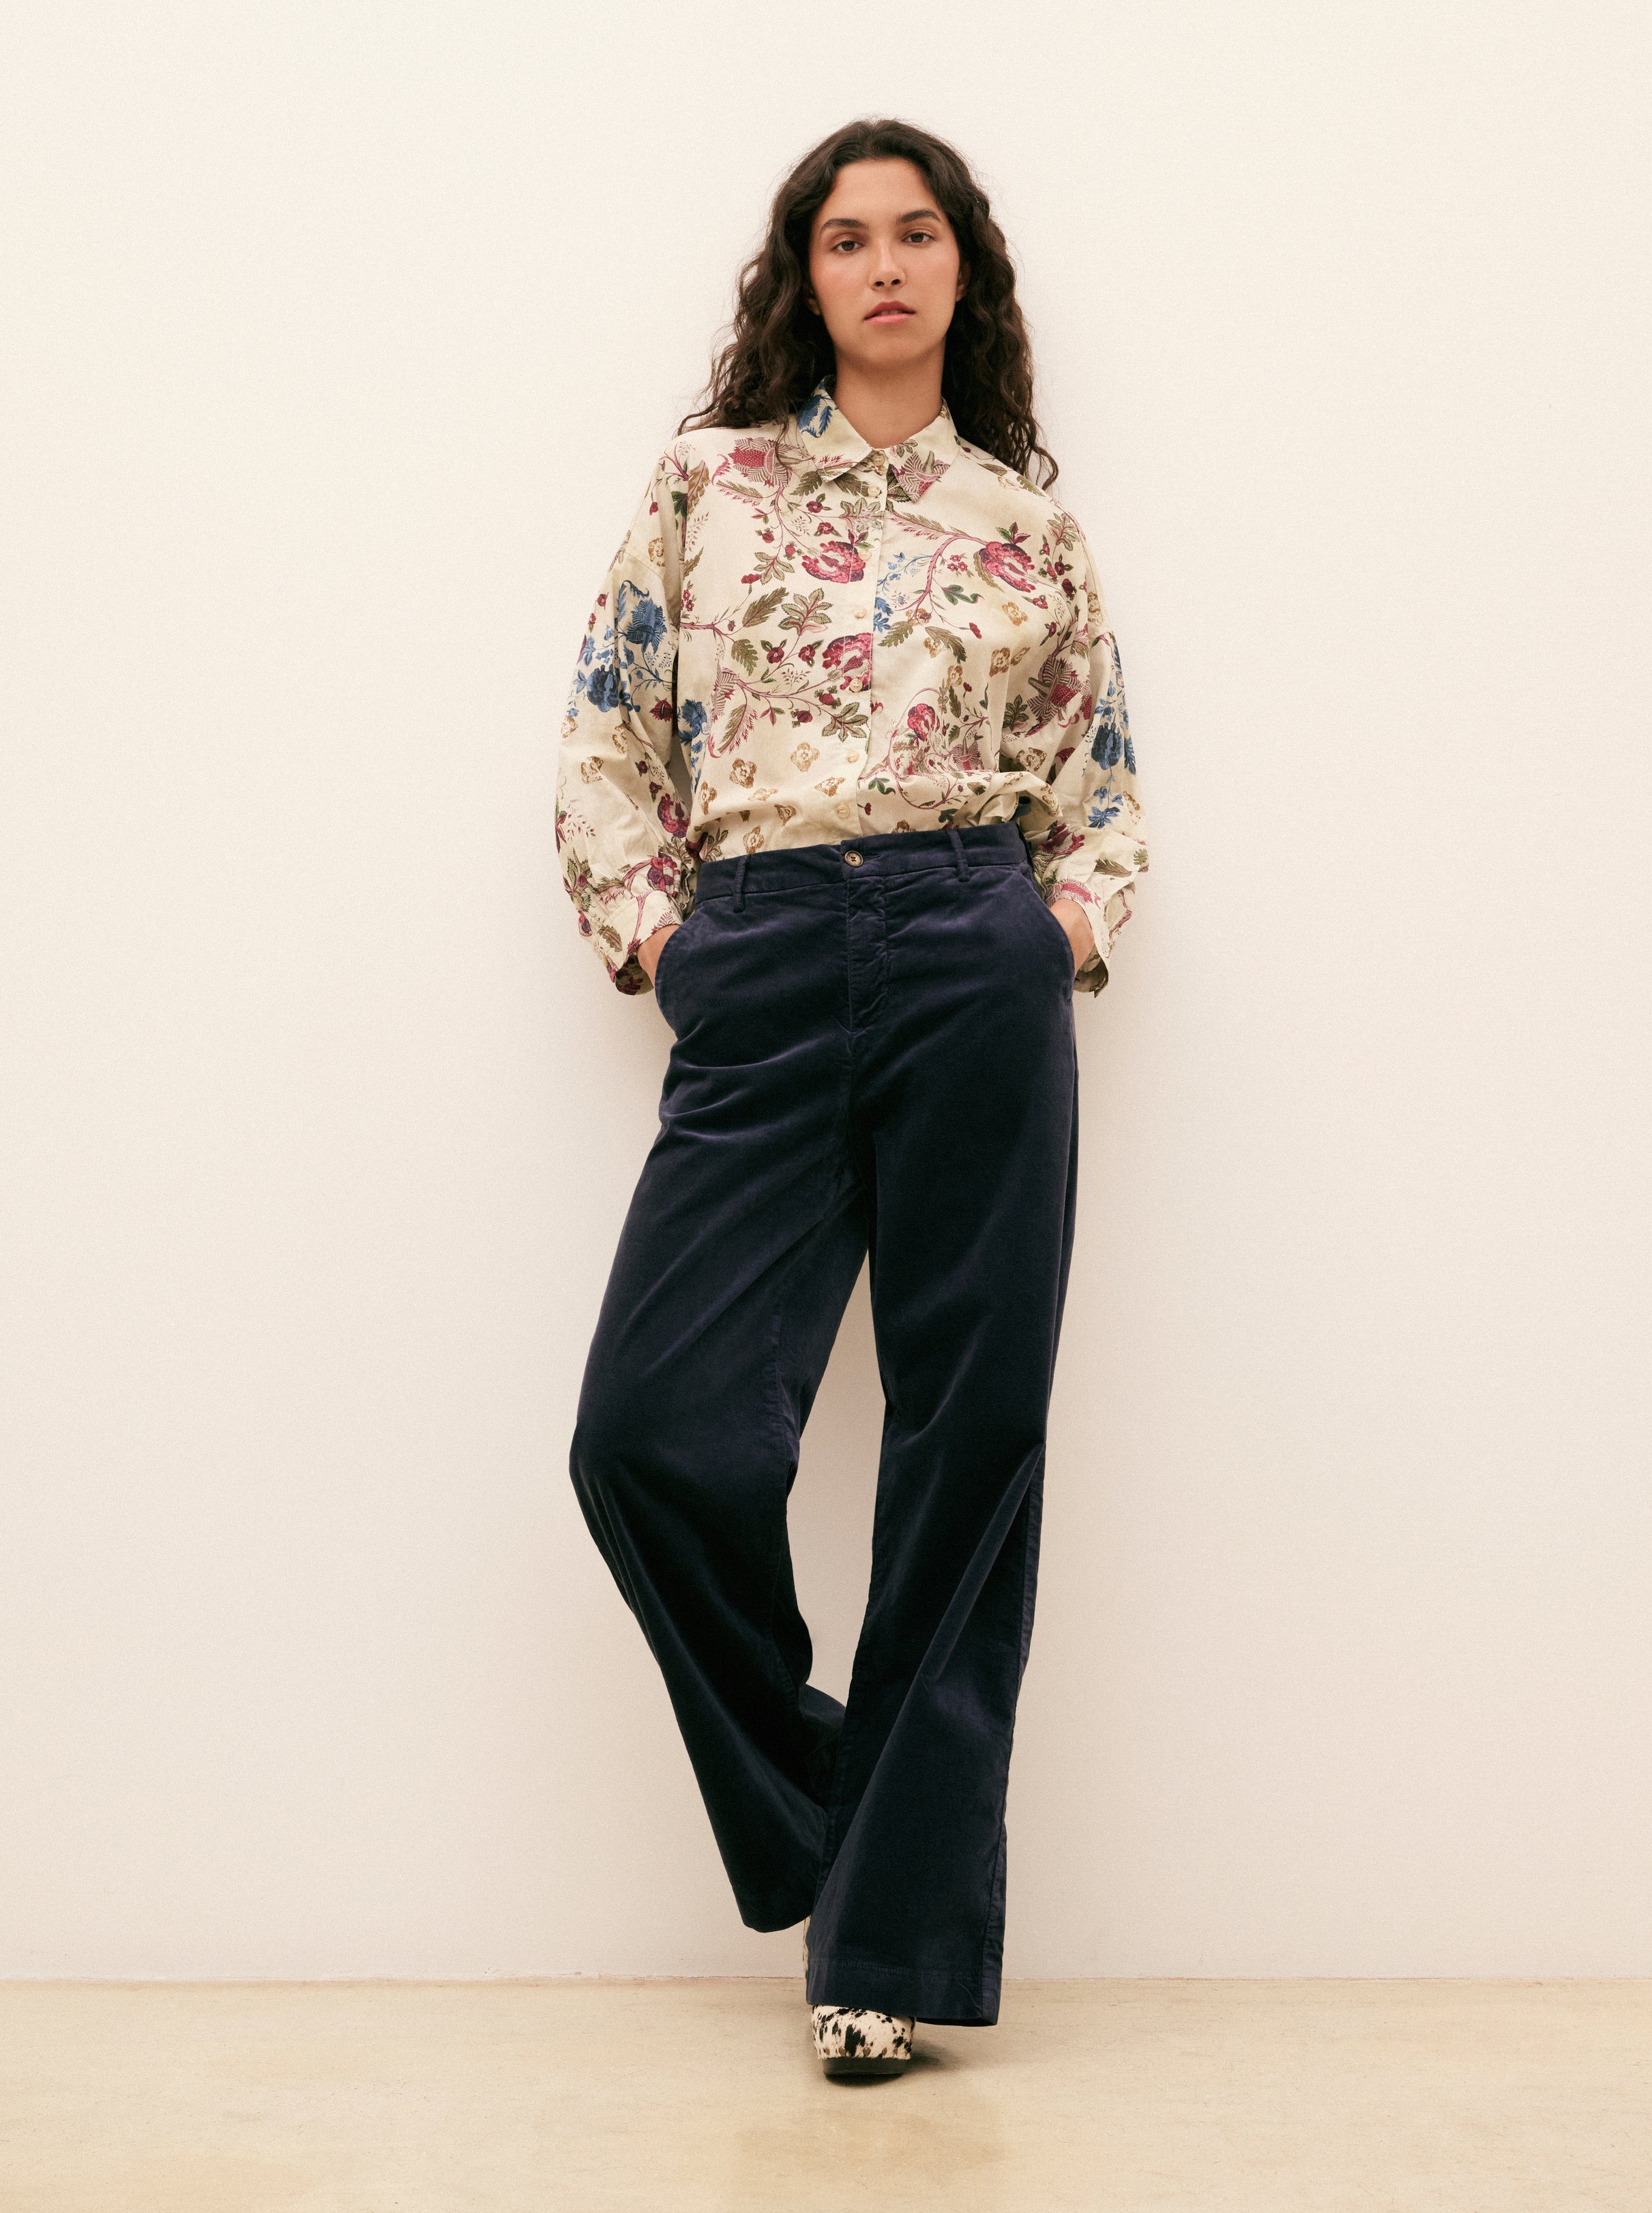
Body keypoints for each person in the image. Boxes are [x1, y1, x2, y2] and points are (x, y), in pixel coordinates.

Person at [555, 117, 1147, 2079]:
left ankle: (877, 1961)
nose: (883, 265)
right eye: (843, 238)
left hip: (974, 947)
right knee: (648, 1439)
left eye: (915, 234)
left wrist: (1051, 932)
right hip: (763, 949)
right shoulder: (707, 485)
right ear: (801, 278)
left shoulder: (1024, 521)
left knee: (968, 1446)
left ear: (963, 267)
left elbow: (1102, 789)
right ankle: (856, 1828)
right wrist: (670, 945)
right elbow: (606, 742)